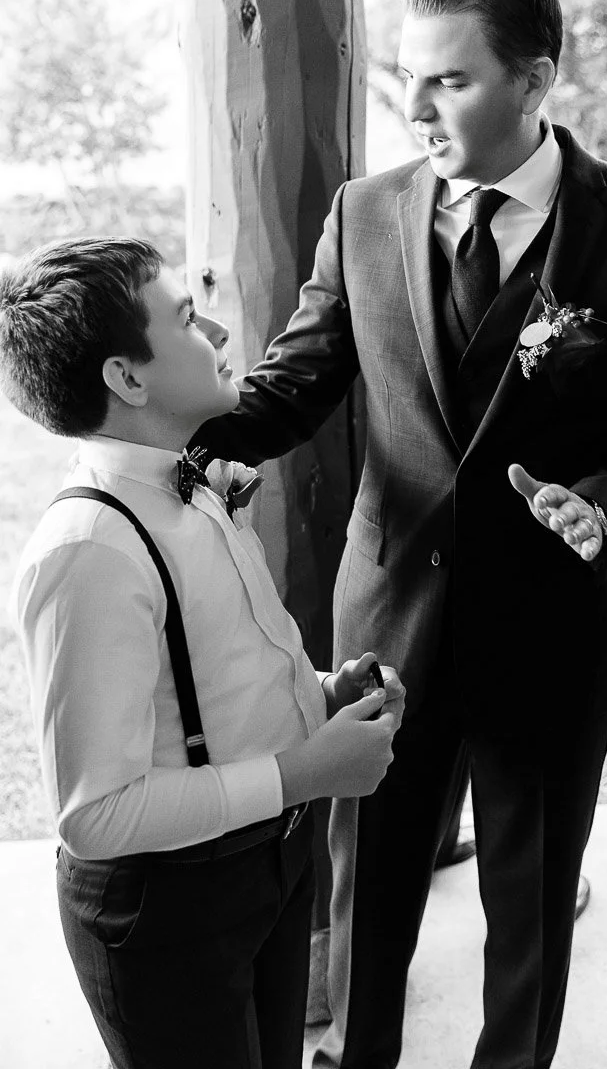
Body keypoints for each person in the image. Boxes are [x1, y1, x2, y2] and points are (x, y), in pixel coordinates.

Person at [196, 0, 607, 1069]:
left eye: (453, 79)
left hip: (550, 631)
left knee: (525, 919)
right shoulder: (364, 211)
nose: (419, 105)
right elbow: (296, 380)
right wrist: (188, 427)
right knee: (369, 889)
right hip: (386, 626)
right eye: (410, 75)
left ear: (534, 79)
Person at [0, 237, 404, 1069]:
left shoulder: (194, 483)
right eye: (186, 317)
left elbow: (213, 675)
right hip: (167, 904)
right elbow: (93, 816)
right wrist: (305, 774)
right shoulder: (90, 552)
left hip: (270, 859)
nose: (217, 329)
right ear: (128, 378)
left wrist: (321, 695)